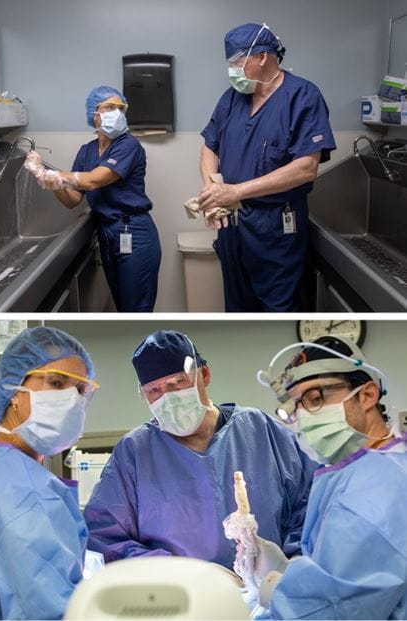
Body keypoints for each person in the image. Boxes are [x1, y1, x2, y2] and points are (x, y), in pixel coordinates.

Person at [84, 330, 317, 571]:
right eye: (155, 390)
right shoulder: (134, 452)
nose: (169, 397)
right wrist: (183, 575)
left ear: (204, 374)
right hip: (181, 599)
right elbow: (104, 536)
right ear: (143, 394)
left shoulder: (261, 430)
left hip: (268, 594)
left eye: (178, 382)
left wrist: (284, 568)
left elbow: (311, 506)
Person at [251, 336, 407, 620]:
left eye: (315, 398)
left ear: (367, 395)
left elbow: (331, 610)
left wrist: (271, 594)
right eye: (294, 407)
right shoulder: (374, 467)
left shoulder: (374, 492)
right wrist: (288, 571)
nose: (301, 418)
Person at [0, 326, 100, 620]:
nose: (72, 400)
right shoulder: (11, 482)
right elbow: (48, 608)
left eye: (80, 390)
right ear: (14, 391)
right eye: (57, 383)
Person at [198, 23, 336, 312]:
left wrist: (236, 191)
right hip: (232, 226)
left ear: (262, 57)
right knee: (237, 312)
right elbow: (210, 146)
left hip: (275, 228)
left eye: (237, 61)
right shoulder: (231, 99)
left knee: (277, 312)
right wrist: (213, 191)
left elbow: (305, 167)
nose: (232, 70)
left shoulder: (302, 96)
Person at [24, 85, 161, 312]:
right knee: (122, 307)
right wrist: (50, 181)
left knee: (137, 310)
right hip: (107, 234)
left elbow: (94, 180)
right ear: (94, 115)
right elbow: (73, 199)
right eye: (109, 107)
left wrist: (55, 174)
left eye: (121, 108)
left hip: (134, 232)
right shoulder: (86, 151)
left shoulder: (128, 145)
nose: (117, 113)